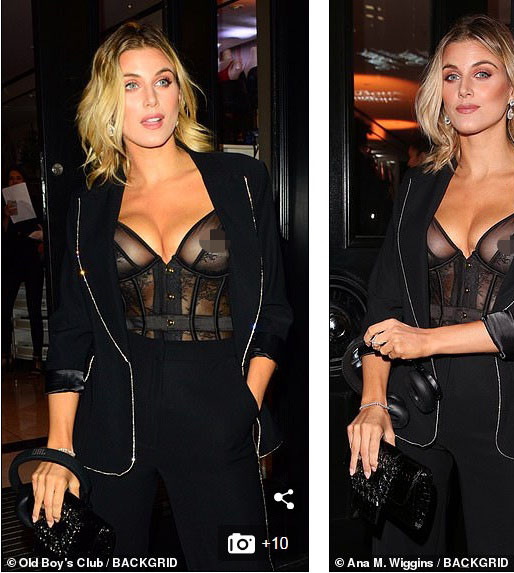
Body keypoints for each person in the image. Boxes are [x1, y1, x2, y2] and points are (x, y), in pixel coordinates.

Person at [30, 22, 292, 571]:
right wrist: (58, 447)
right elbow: (73, 331)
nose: (151, 99)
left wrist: (245, 404)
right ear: (108, 102)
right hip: (116, 415)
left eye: (163, 81)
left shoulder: (242, 180)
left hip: (219, 409)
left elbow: (272, 309)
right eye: (131, 85)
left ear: (181, 93)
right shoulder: (88, 207)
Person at [347, 14, 514, 571]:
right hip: (414, 401)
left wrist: (425, 341)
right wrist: (372, 402)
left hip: (512, 406)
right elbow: (384, 304)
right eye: (451, 75)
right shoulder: (418, 186)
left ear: (512, 89)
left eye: (482, 73)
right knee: (397, 558)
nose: (464, 89)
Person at [2, 165, 45, 371]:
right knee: (4, 307)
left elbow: (42, 228)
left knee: (34, 308)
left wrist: (41, 235)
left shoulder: (35, 201)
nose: (14, 182)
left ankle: (37, 355)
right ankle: (4, 354)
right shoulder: (4, 204)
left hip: (31, 260)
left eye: (18, 178)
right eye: (11, 179)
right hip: (11, 261)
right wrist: (6, 217)